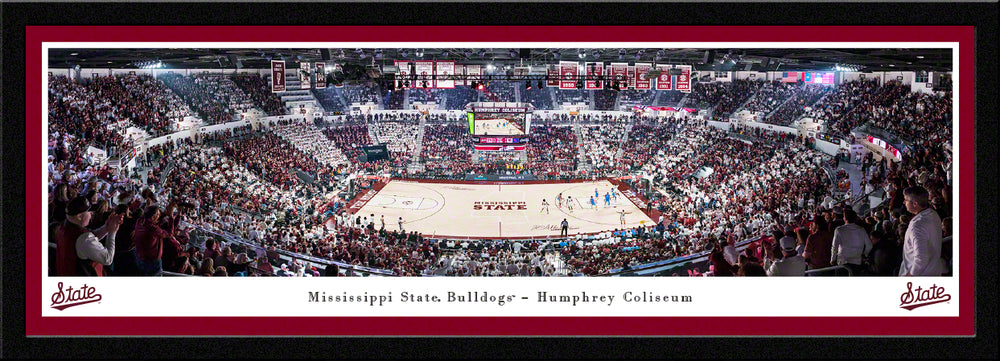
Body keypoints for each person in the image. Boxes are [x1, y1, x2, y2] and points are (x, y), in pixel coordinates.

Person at [55, 196, 123, 276]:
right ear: (79, 216)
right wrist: (112, 232)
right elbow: (107, 259)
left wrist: (106, 227)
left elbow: (92, 237)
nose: (92, 213)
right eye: (89, 212)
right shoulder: (84, 239)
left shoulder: (62, 227)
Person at [899, 186, 946, 276]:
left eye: (906, 200)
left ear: (915, 204)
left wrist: (910, 275)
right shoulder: (934, 214)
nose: (904, 202)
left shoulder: (917, 226)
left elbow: (921, 258)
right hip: (933, 271)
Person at [830, 208, 872, 276]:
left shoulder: (839, 230)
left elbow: (834, 246)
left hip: (842, 261)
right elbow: (869, 245)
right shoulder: (861, 230)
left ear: (845, 218)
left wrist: (832, 259)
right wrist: (864, 254)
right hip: (857, 261)